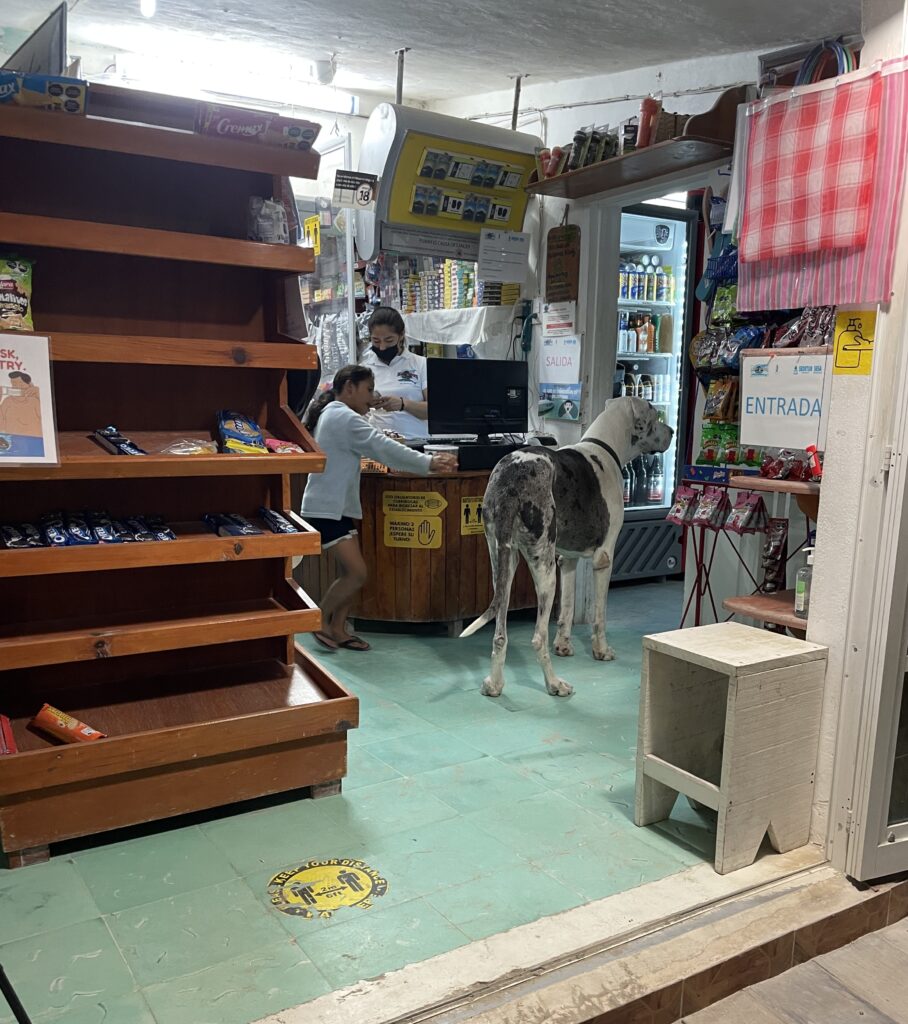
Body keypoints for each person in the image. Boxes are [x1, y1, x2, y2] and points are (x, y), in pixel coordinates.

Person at [301, 364, 457, 651]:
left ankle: (337, 628)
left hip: (337, 507)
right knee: (357, 573)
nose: (372, 396)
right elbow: (382, 446)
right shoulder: (342, 417)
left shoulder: (337, 414)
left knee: (354, 573)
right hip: (326, 509)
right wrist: (428, 463)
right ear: (349, 387)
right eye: (368, 390)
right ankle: (320, 621)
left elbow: (378, 445)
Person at [360, 306, 429, 440]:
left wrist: (404, 404)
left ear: (401, 335)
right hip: (379, 445)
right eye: (376, 341)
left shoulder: (421, 364)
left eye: (389, 340)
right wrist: (368, 402)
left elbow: (435, 411)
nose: (382, 347)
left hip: (415, 442)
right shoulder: (364, 368)